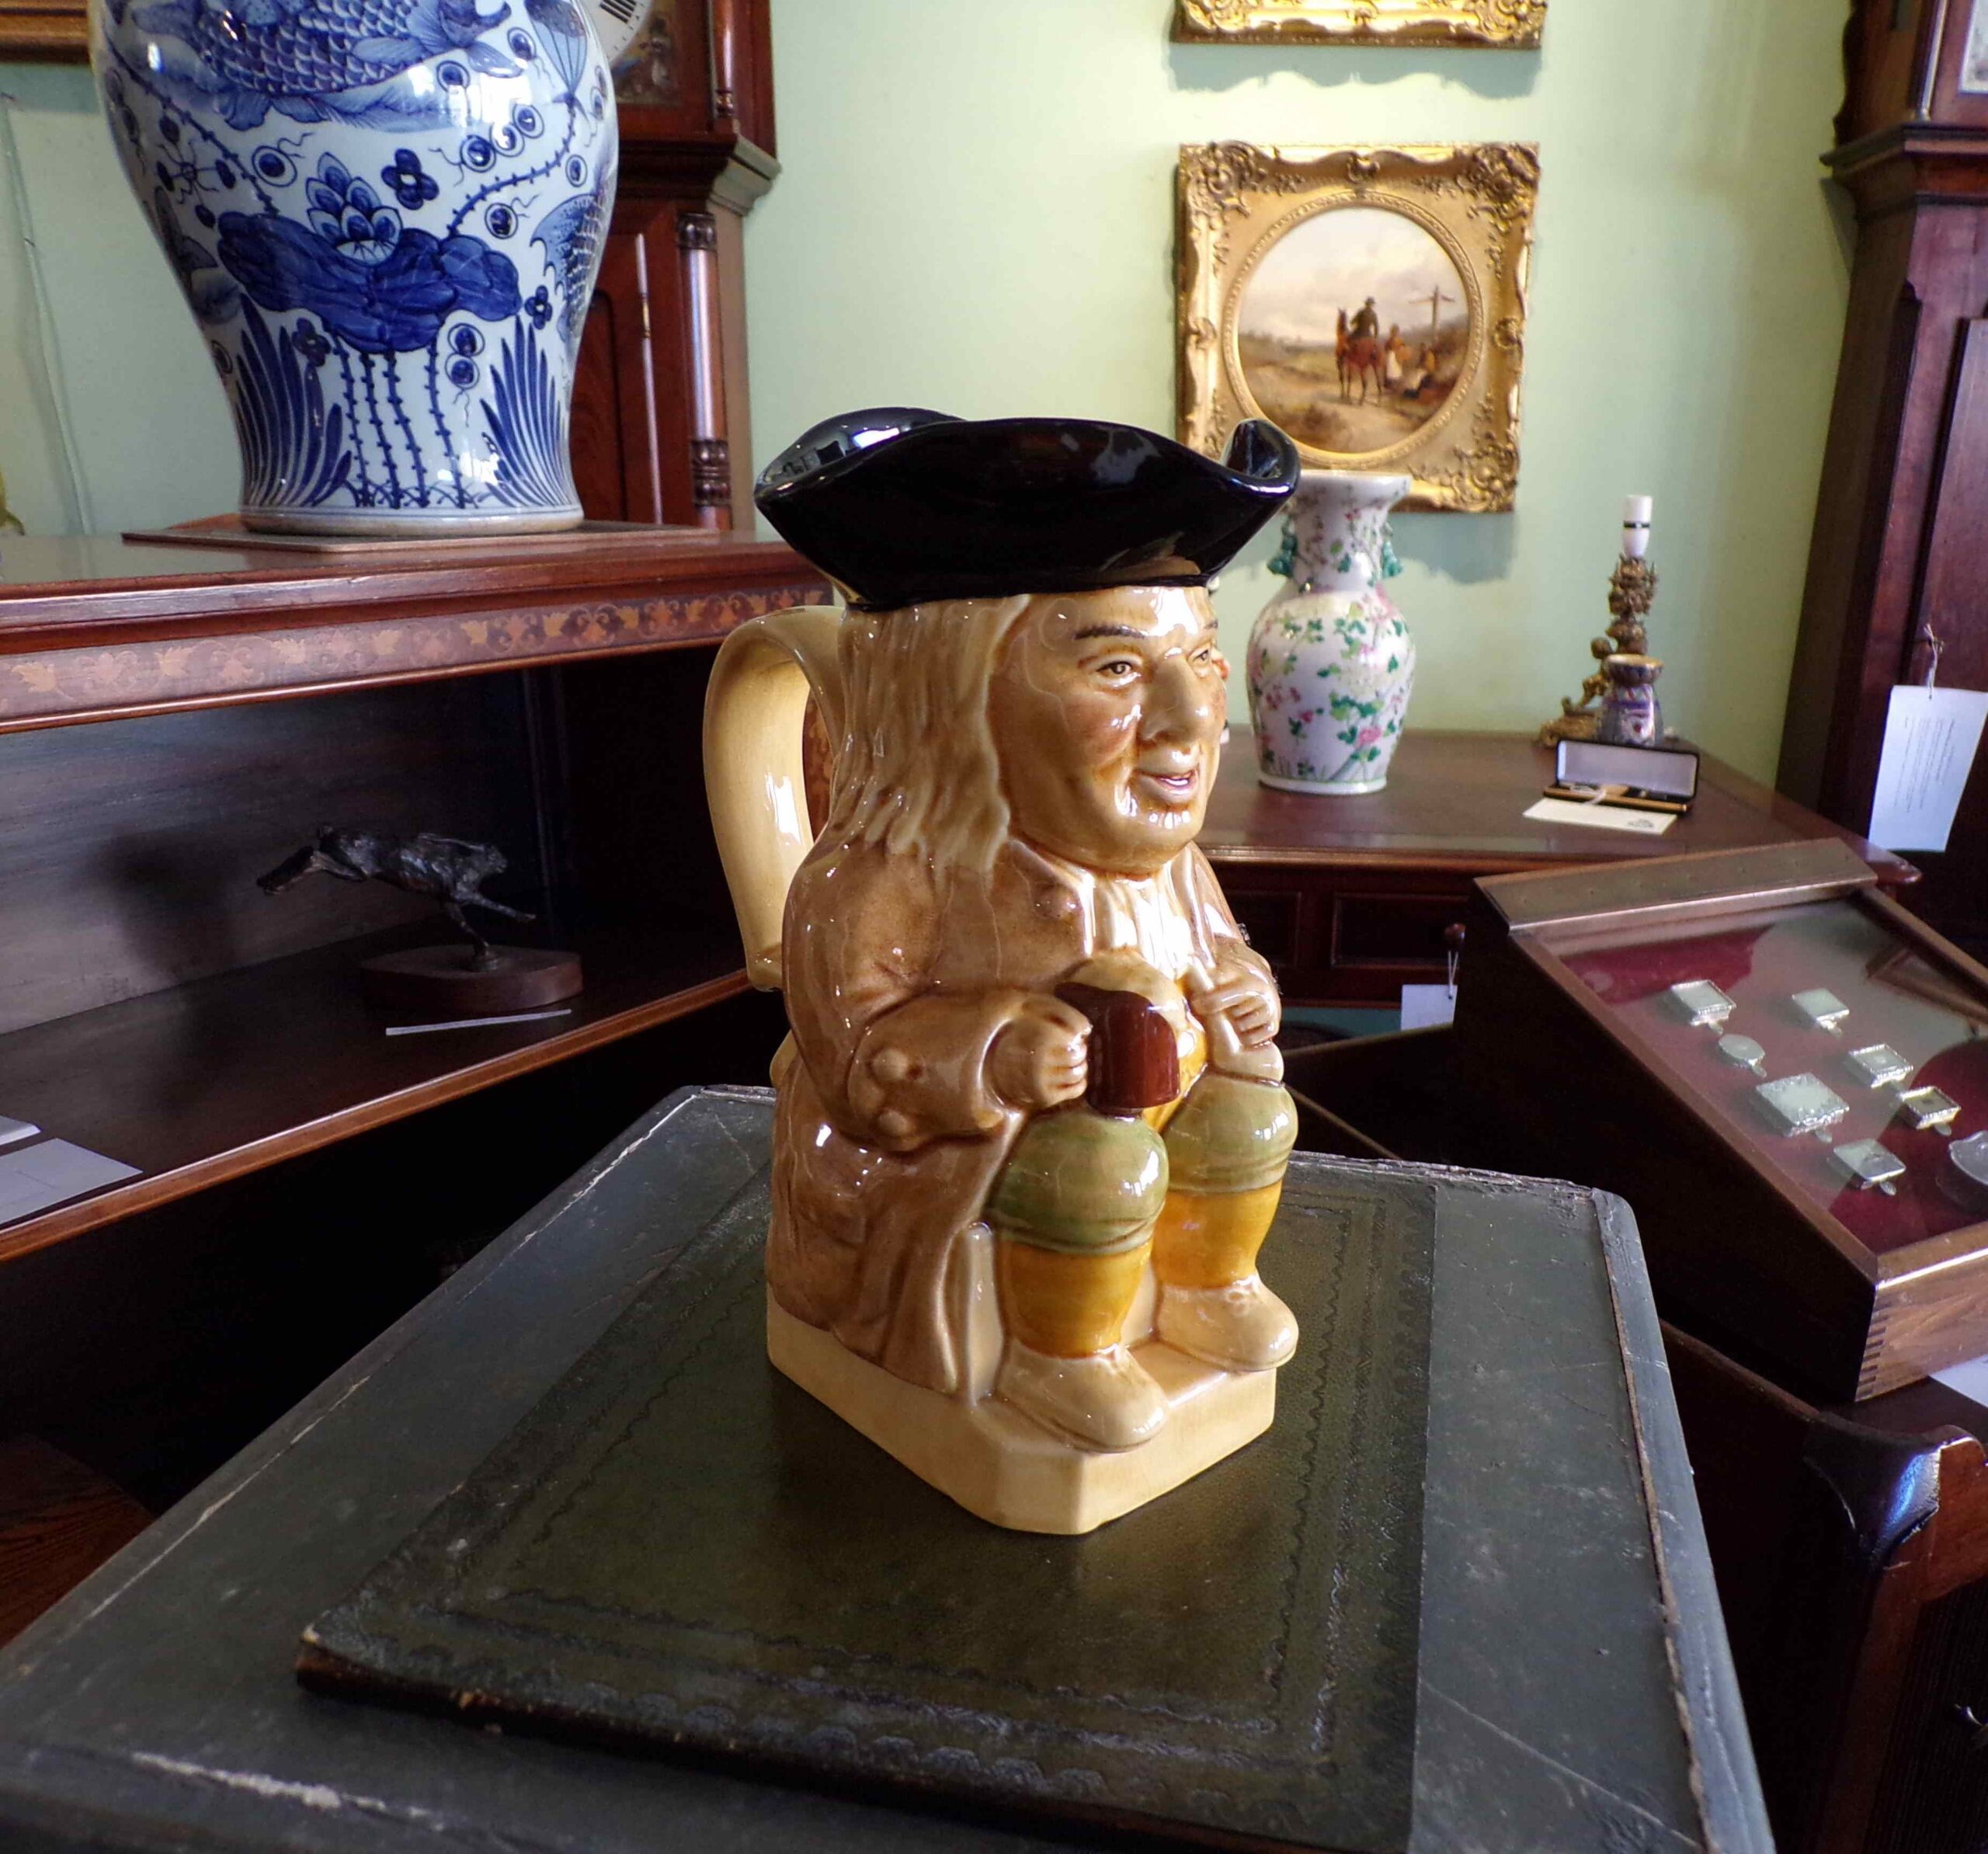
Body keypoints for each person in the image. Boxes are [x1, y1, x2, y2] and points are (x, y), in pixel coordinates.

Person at [749, 413, 1302, 1455]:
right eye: (1118, 669)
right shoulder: (882, 879)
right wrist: (993, 1052)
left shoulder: (1175, 867)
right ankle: (1059, 1352)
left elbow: (1218, 948)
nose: (1193, 718)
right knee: (1093, 1166)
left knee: (1252, 1116)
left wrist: (1239, 986)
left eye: (1199, 657)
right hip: (947, 1192)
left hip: (1158, 1132)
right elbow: (861, 1068)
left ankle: (1206, 1285)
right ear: (951, 703)